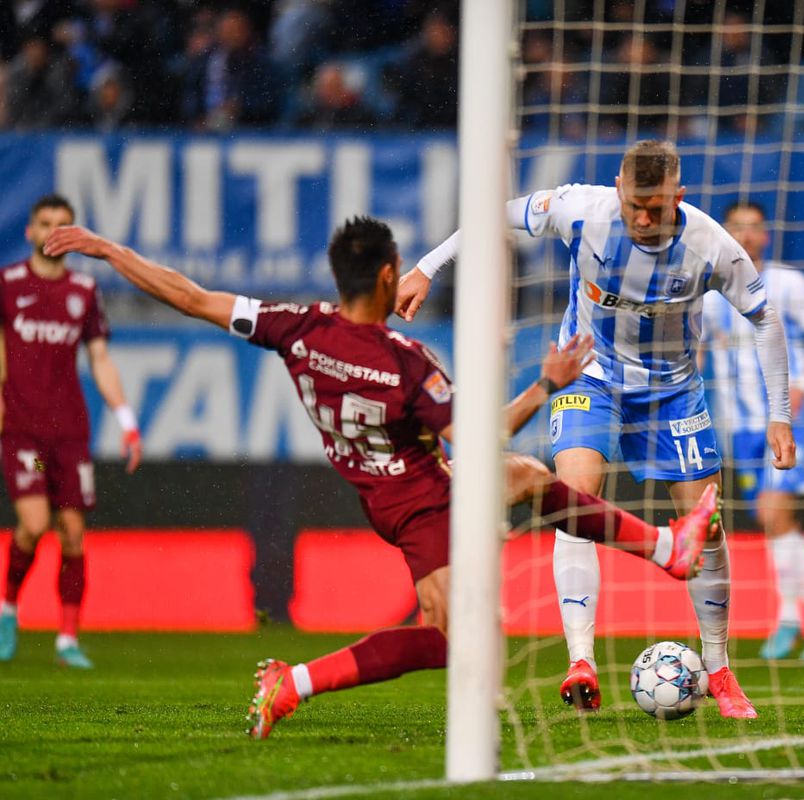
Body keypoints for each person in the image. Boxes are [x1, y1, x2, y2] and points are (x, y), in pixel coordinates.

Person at [43, 216, 720, 739]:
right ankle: (294, 682)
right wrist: (547, 382)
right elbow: (479, 436)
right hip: (429, 501)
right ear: (391, 275)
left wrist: (108, 250)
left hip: (386, 493)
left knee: (528, 477)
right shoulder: (404, 363)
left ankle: (666, 549)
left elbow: (190, 297)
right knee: (464, 638)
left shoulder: (297, 329)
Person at [394, 140, 797, 718]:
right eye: (634, 203)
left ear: (678, 198)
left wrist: (779, 414)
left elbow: (764, 318)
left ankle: (719, 668)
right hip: (591, 375)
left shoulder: (712, 245)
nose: (641, 218)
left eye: (655, 208)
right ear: (618, 188)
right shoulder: (581, 208)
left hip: (674, 392)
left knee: (704, 527)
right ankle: (580, 659)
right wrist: (426, 268)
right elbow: (494, 217)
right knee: (576, 500)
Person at [0, 194, 142, 669]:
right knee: (37, 524)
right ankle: (8, 608)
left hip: (68, 437)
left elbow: (100, 359)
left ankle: (67, 638)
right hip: (25, 434)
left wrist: (126, 419)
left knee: (74, 533)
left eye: (63, 224)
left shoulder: (83, 290)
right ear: (31, 231)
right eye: (45, 223)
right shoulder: (8, 284)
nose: (53, 231)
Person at [702, 202, 804, 661]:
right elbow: (697, 351)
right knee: (772, 521)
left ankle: (789, 619)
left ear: (766, 235)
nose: (746, 234)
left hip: (783, 420)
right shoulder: (707, 292)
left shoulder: (787, 283)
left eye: (754, 227)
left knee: (773, 514)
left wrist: (800, 388)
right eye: (737, 227)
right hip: (739, 426)